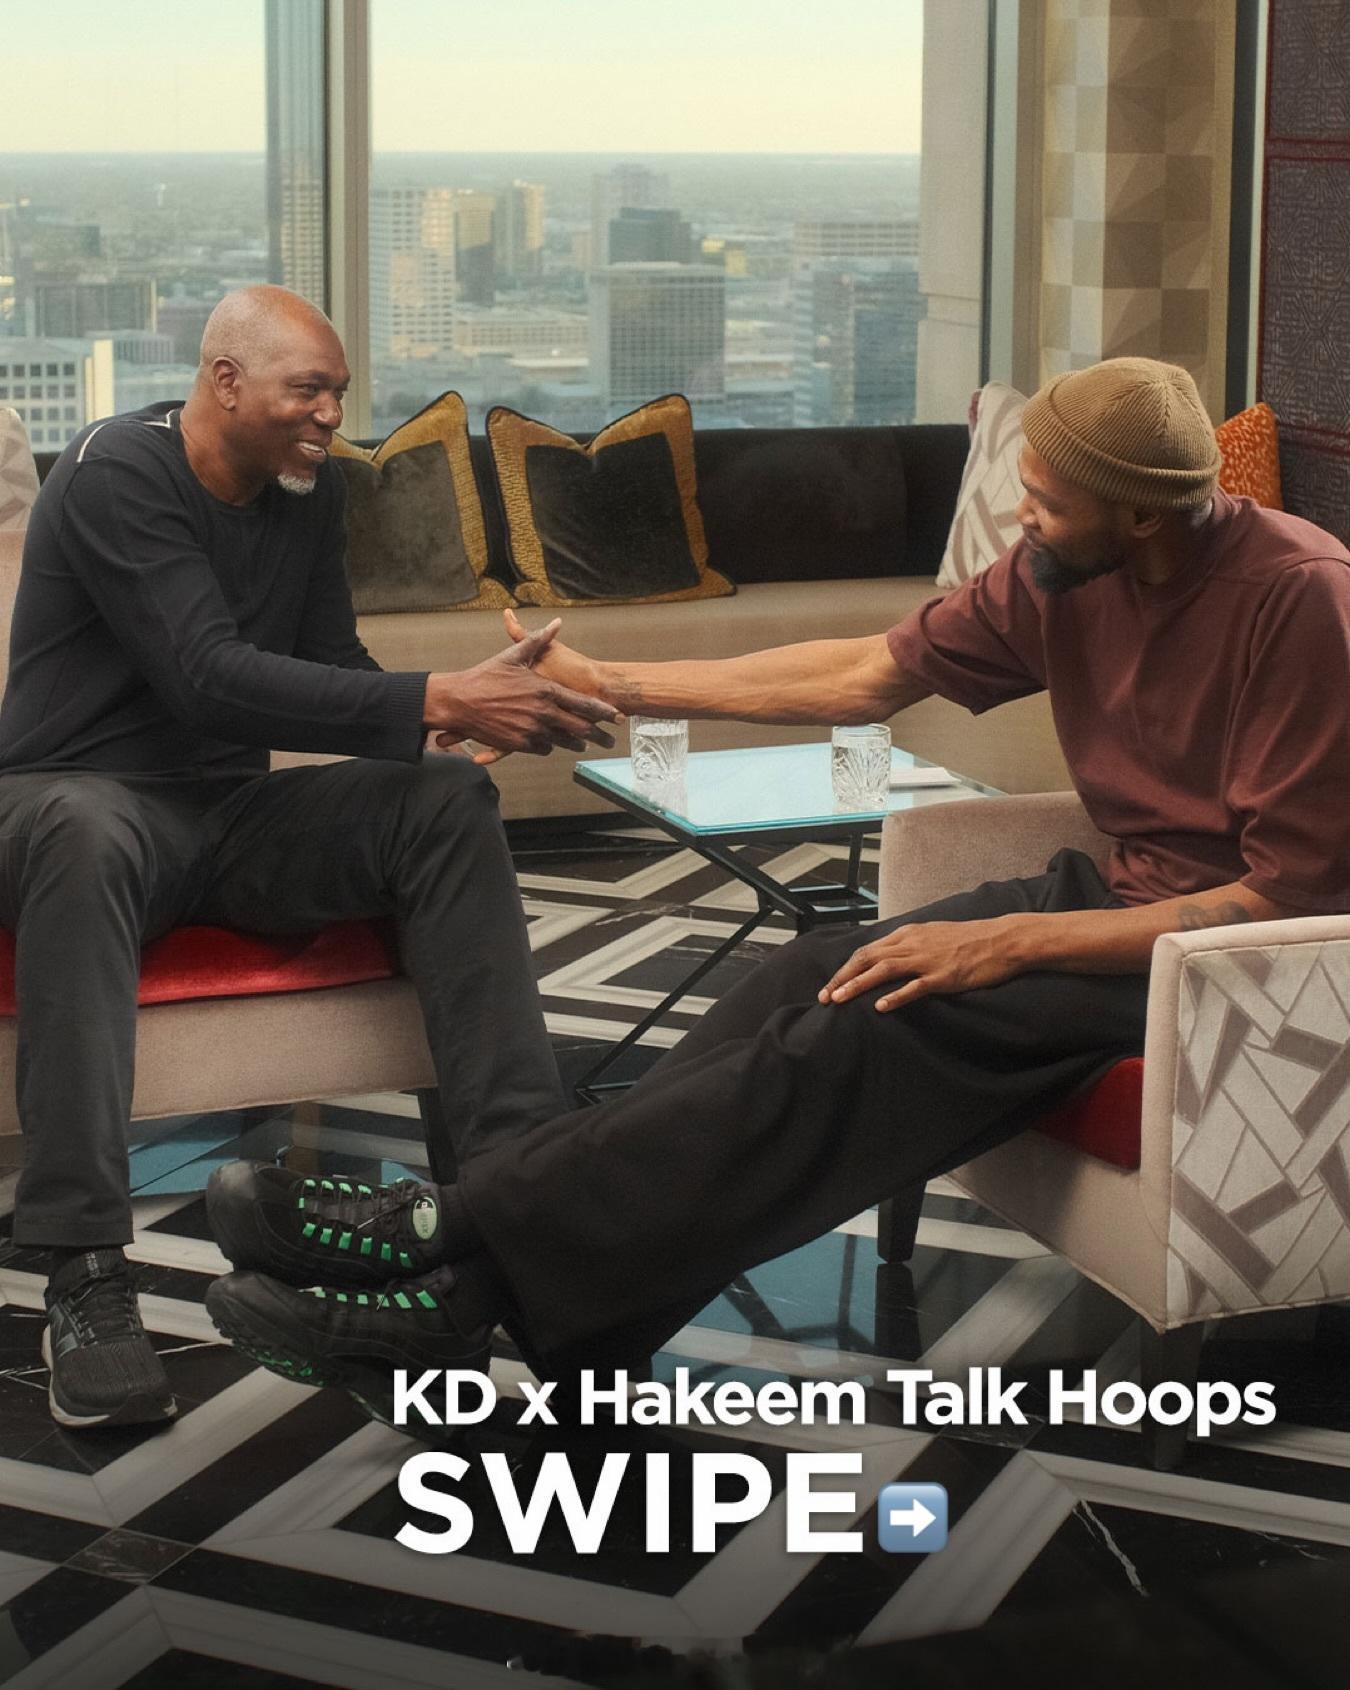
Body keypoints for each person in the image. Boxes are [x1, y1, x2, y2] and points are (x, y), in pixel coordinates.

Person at [204, 357, 1350, 1426]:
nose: (1020, 514)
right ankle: (542, 1328)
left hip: (1238, 970)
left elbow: (1283, 903)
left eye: (1046, 500)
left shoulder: (1299, 601)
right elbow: (865, 674)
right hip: (1119, 899)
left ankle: (447, 1230)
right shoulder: (1066, 568)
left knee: (859, 1034)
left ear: (1142, 515)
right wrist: (614, 683)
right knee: (799, 976)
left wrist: (1006, 941)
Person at [0, 284, 622, 1429]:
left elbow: (332, 662)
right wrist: (433, 694)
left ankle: (515, 1211)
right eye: (308, 390)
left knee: (442, 800)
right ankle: (83, 1269)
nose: (332, 415)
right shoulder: (114, 470)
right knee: (85, 827)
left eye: (337, 392)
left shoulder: (306, 491)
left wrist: (450, 727)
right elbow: (204, 673)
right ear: (225, 381)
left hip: (227, 815)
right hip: (71, 805)